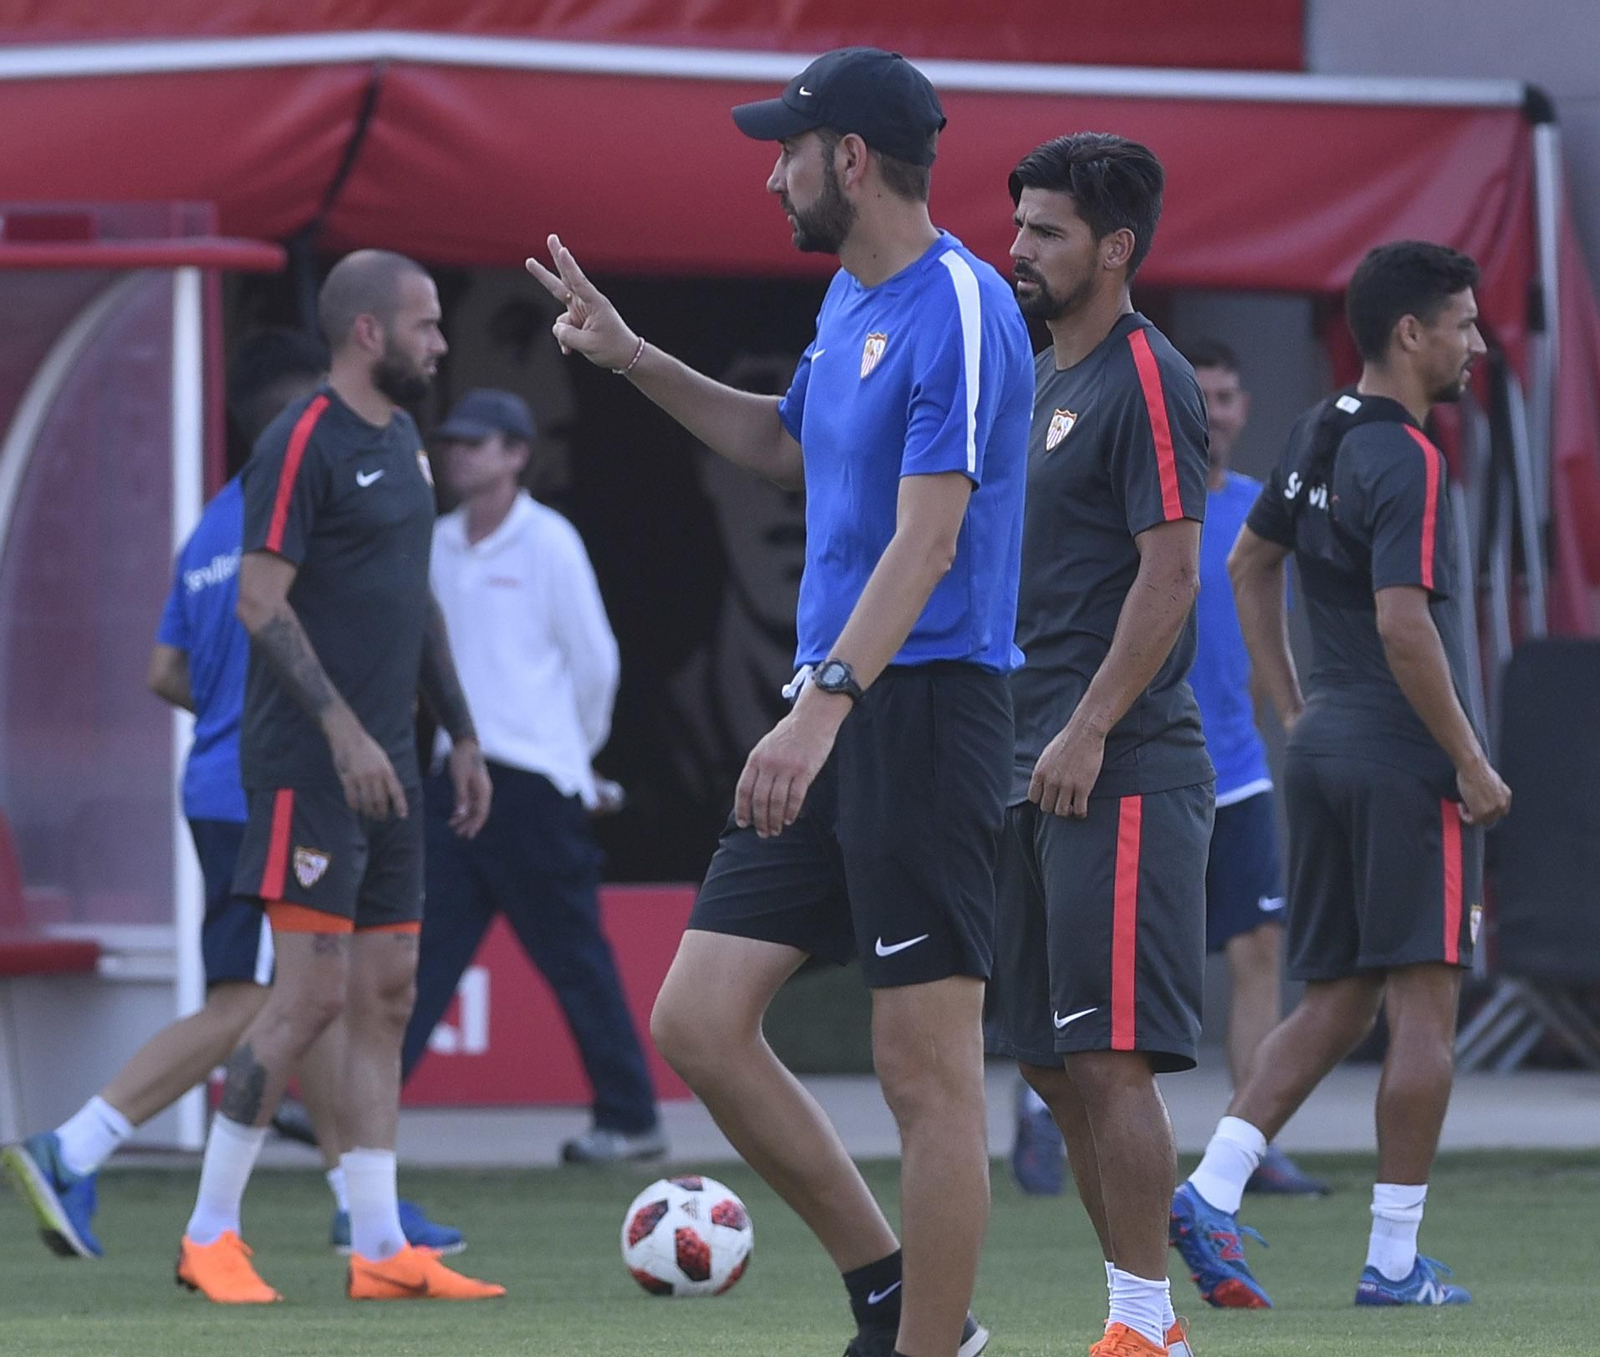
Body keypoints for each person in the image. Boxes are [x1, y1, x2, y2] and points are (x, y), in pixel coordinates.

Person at [527, 46, 1031, 1357]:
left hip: (923, 714)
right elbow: (780, 443)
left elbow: (930, 542)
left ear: (848, 160)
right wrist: (632, 357)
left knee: (925, 1072)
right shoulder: (850, 301)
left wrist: (821, 707)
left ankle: (930, 1347)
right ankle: (895, 1303)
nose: (771, 178)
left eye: (786, 152)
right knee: (698, 1020)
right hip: (841, 705)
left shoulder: (961, 303)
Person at [0, 331, 462, 1260]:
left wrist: (232, 715)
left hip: (216, 781)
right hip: (277, 786)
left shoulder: (215, 523)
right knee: (255, 1000)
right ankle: (73, 1146)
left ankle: (355, 1200)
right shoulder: (313, 511)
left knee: (306, 994)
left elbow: (164, 671)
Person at [1171, 241, 1510, 1311]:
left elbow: (1248, 564)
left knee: (1338, 999)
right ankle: (1394, 1262)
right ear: (1410, 333)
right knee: (1424, 1009)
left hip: (1322, 750)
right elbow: (1405, 625)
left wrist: (1293, 710)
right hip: (1404, 758)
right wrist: (1468, 759)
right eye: (1463, 322)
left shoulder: (1319, 426)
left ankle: (1209, 1188)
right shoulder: (1411, 456)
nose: (1477, 343)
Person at [172, 250, 502, 1304]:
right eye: (426, 324)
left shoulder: (402, 439)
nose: (439, 343)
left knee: (387, 994)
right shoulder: (301, 439)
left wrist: (460, 734)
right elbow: (258, 600)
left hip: (392, 765)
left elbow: (415, 600)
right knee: (308, 993)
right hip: (310, 769)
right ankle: (209, 1233)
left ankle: (379, 1246)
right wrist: (346, 734)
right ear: (368, 331)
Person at [985, 133, 1211, 1357]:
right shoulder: (1037, 376)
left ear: (1114, 248)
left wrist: (1087, 726)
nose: (1017, 247)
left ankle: (1144, 1324)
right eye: (1019, 224)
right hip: (1028, 765)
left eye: (1046, 231)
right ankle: (1142, 1295)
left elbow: (1170, 574)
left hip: (1116, 766)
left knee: (1111, 1058)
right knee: (1048, 1064)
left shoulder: (1146, 376)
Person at [400, 386, 666, 1164]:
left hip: (532, 784)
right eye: (454, 441)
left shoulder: (550, 541)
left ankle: (630, 1116)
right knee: (418, 955)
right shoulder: (435, 543)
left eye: (477, 442)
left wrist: (568, 759)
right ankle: (352, 1114)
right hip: (455, 777)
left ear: (517, 454)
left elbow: (595, 663)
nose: (459, 454)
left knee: (575, 957)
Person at [1183, 338, 1327, 1200]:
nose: (1216, 411)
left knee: (1260, 946)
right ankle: (1051, 1111)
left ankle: (1249, 1145)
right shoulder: (1141, 503)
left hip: (1237, 769)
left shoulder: (1260, 512)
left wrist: (1292, 726)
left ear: (1244, 409)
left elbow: (1267, 637)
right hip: (1147, 770)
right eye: (1200, 394)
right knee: (1115, 960)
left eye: (1228, 395)